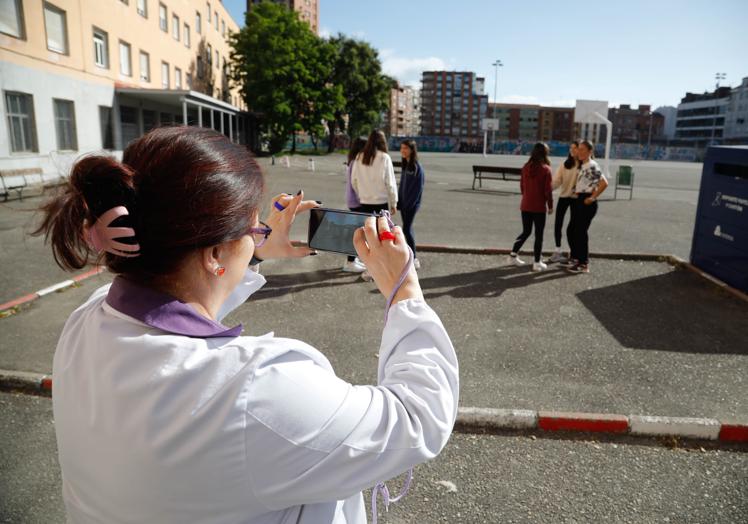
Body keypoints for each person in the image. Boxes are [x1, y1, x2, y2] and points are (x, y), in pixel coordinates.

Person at [35, 127, 459, 523]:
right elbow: (417, 418)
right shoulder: (258, 392)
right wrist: (403, 289)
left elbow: (178, 297)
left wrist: (251, 251)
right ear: (215, 253)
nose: (257, 233)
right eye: (250, 226)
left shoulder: (85, 324)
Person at [565, 139, 609, 273]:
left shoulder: (591, 165)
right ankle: (577, 259)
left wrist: (592, 197)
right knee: (574, 231)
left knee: (580, 233)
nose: (579, 151)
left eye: (583, 149)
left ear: (590, 151)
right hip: (580, 199)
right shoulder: (583, 165)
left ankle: (583, 264)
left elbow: (604, 183)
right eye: (579, 149)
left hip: (586, 202)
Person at [508, 142, 554, 272]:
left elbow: (522, 186)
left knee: (526, 231)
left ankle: (513, 255)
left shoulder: (525, 167)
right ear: (545, 153)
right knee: (539, 235)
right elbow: (548, 191)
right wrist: (550, 206)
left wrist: (527, 197)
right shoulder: (546, 169)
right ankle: (537, 262)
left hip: (526, 204)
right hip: (538, 207)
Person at [548, 140, 580, 263]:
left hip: (577, 200)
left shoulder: (584, 165)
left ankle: (574, 253)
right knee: (558, 224)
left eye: (575, 148)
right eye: (571, 148)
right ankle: (557, 250)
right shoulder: (564, 164)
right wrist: (546, 190)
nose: (572, 150)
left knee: (573, 227)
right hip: (564, 197)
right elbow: (556, 181)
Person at [396, 139, 425, 270]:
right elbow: (402, 186)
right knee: (408, 229)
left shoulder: (416, 168)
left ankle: (414, 259)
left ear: (412, 150)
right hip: (404, 204)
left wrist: (410, 204)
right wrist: (398, 202)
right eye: (402, 148)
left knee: (406, 229)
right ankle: (409, 256)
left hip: (411, 206)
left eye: (406, 148)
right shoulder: (406, 165)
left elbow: (418, 189)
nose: (403, 150)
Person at [342, 137, 368, 273]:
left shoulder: (352, 159)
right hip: (356, 200)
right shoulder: (357, 161)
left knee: (356, 231)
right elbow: (356, 183)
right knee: (356, 232)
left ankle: (352, 259)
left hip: (352, 200)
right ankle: (350, 261)